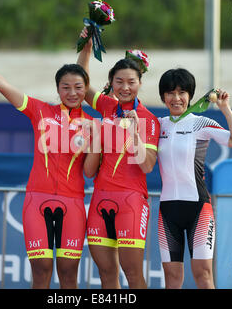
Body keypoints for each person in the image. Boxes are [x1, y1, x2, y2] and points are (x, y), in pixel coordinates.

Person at [0, 45, 100, 289]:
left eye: (78, 87)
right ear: (57, 89)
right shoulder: (40, 111)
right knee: (41, 270)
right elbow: (3, 86)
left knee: (68, 273)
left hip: (73, 202)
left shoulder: (93, 124)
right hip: (37, 200)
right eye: (66, 87)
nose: (72, 92)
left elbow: (89, 172)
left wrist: (98, 142)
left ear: (86, 90)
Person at [77, 29, 160, 288]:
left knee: (133, 274)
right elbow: (81, 83)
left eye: (131, 82)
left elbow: (146, 165)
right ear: (111, 82)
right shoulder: (106, 107)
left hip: (132, 201)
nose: (125, 87)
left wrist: (135, 132)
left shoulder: (149, 119)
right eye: (119, 81)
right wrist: (87, 47)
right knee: (106, 273)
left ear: (140, 83)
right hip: (101, 196)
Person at [157, 68, 232, 289]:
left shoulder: (200, 123)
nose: (176, 98)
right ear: (163, 97)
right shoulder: (157, 125)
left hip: (198, 209)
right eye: (170, 93)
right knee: (172, 277)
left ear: (190, 95)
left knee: (203, 274)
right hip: (168, 211)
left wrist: (225, 109)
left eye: (182, 92)